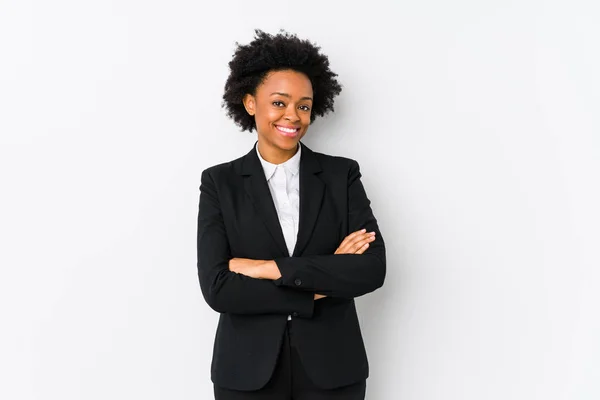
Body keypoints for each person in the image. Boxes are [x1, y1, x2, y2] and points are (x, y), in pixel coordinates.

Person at [197, 29, 386, 400]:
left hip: (333, 370)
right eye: (279, 102)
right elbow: (218, 288)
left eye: (303, 105)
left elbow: (371, 269)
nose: (293, 116)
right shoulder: (220, 182)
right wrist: (321, 282)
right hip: (247, 373)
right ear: (250, 102)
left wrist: (268, 268)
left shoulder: (341, 175)